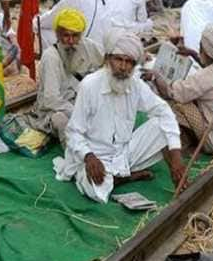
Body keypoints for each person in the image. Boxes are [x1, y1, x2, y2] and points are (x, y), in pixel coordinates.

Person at [53, 29, 185, 203]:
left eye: (129, 62)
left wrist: (176, 157)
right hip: (95, 156)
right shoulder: (90, 85)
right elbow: (73, 132)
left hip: (123, 153)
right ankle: (124, 177)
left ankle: (123, 176)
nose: (123, 67)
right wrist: (88, 156)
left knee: (162, 125)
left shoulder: (135, 84)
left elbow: (165, 112)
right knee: (94, 188)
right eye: (119, 60)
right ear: (108, 59)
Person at [143, 24, 213, 153]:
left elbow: (170, 93)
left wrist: (156, 77)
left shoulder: (203, 77)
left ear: (204, 51)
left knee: (178, 104)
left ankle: (189, 143)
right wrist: (194, 55)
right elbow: (212, 67)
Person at [29, 8, 103, 146]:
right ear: (58, 35)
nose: (70, 41)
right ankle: (75, 156)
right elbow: (51, 100)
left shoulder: (88, 46)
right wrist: (79, 112)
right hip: (56, 109)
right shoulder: (51, 57)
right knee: (60, 120)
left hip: (82, 103)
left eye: (75, 36)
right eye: (66, 36)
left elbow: (107, 62)